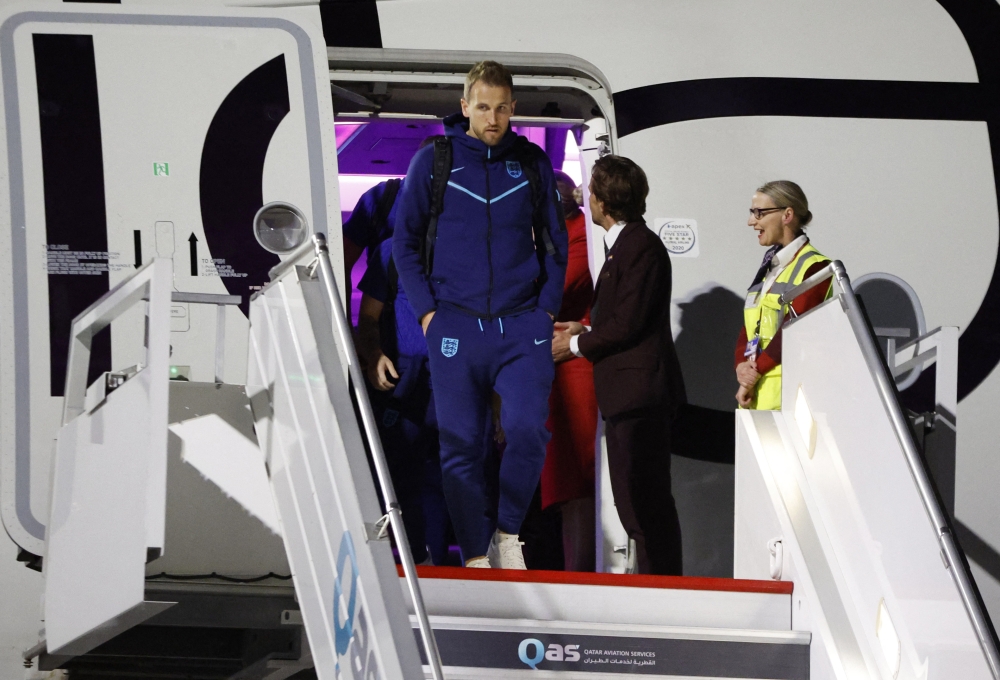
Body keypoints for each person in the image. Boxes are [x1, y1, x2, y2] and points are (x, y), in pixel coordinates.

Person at [393, 61, 568, 569]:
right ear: (466, 106)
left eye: (502, 108)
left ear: (513, 110)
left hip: (521, 327)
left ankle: (507, 536)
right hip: (454, 324)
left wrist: (545, 313)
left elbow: (556, 249)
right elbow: (404, 244)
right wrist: (429, 316)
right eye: (483, 107)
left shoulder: (533, 163)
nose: (492, 118)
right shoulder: (435, 161)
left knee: (529, 430)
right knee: (461, 446)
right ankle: (473, 554)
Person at [552, 155, 686, 575]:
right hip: (626, 398)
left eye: (590, 191)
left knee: (644, 505)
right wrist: (586, 324)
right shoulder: (624, 248)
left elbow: (629, 324)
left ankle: (662, 589)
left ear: (605, 200)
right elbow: (624, 317)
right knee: (634, 502)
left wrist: (574, 344)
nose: (585, 198)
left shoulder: (640, 246)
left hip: (639, 397)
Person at [356, 238, 441, 565]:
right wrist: (375, 354)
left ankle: (464, 562)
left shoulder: (472, 245)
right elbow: (369, 317)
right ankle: (418, 559)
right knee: (401, 474)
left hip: (455, 376)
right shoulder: (393, 249)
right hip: (404, 377)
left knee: (455, 473)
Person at [540, 170, 599, 572]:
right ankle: (571, 574)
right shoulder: (544, 235)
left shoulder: (580, 235)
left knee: (579, 483)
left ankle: (582, 576)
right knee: (564, 490)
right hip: (551, 370)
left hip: (576, 370)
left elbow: (553, 292)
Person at [734, 181, 831, 410]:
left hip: (790, 399)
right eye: (752, 212)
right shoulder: (770, 264)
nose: (751, 221)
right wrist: (740, 365)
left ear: (787, 215)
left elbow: (793, 331)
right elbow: (751, 323)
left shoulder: (814, 267)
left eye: (759, 213)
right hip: (756, 395)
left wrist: (752, 374)